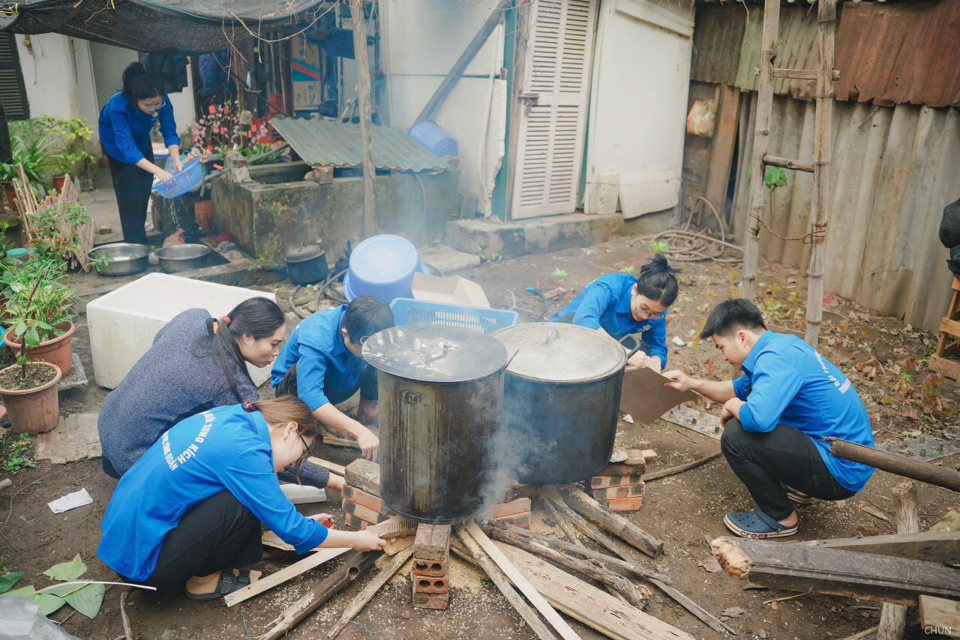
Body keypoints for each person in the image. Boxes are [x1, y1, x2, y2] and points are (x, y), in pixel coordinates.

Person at [97, 397, 386, 598]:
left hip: (123, 537)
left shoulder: (234, 417)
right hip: (144, 565)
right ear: (289, 430)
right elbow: (292, 531)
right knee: (236, 502)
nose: (291, 466)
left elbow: (273, 498)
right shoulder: (243, 452)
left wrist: (307, 511)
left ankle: (203, 564)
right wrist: (355, 540)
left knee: (243, 495)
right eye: (299, 455)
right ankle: (202, 583)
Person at [663, 299, 876, 539]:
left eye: (721, 347)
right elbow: (735, 389)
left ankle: (780, 517)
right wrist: (690, 383)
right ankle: (799, 487)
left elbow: (757, 420)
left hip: (841, 470)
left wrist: (733, 405)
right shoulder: (779, 346)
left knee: (736, 435)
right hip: (847, 455)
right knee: (759, 415)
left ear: (742, 337)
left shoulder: (773, 360)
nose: (722, 356)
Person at [97, 298, 342, 491]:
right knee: (229, 474)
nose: (276, 353)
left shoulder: (194, 316)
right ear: (247, 337)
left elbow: (158, 340)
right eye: (273, 343)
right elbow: (270, 449)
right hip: (132, 457)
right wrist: (332, 481)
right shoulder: (230, 385)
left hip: (108, 422)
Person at [272, 296, 394, 462]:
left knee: (374, 358)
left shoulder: (364, 326)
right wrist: (359, 431)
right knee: (306, 391)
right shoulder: (316, 337)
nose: (371, 350)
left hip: (335, 380)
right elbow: (310, 395)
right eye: (365, 345)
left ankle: (366, 412)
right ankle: (311, 418)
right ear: (345, 333)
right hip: (295, 389)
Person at [98, 62, 181, 246]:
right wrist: (159, 171)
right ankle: (137, 249)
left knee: (143, 191)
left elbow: (169, 129)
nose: (153, 109)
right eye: (147, 105)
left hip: (141, 140)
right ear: (135, 97)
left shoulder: (160, 98)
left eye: (157, 104)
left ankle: (140, 240)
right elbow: (127, 151)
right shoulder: (117, 106)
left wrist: (176, 159)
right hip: (118, 149)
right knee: (130, 200)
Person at [549, 255, 681, 370]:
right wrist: (623, 352)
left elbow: (657, 346)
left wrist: (656, 361)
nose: (645, 316)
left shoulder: (657, 310)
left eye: (654, 313)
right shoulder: (611, 286)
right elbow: (584, 320)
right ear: (634, 289)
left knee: (642, 354)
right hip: (570, 330)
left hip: (609, 338)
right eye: (643, 308)